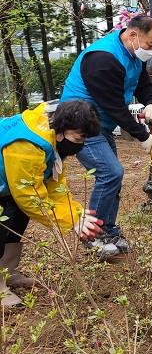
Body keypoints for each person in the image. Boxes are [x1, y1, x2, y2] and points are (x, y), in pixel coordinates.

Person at [61, 15, 152, 258]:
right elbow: (114, 107)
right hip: (79, 124)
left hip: (100, 125)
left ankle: (108, 230)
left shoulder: (135, 57)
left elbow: (144, 86)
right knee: (110, 173)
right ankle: (92, 236)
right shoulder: (102, 59)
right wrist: (141, 135)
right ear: (132, 35)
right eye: (151, 45)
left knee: (112, 177)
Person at [0, 100, 104, 306]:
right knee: (3, 223)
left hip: (10, 183)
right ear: (62, 131)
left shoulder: (52, 138)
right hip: (5, 183)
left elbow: (55, 186)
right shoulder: (27, 145)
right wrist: (69, 220)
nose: (81, 145)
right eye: (79, 137)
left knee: (17, 219)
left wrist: (76, 213)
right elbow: (29, 196)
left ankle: (8, 272)